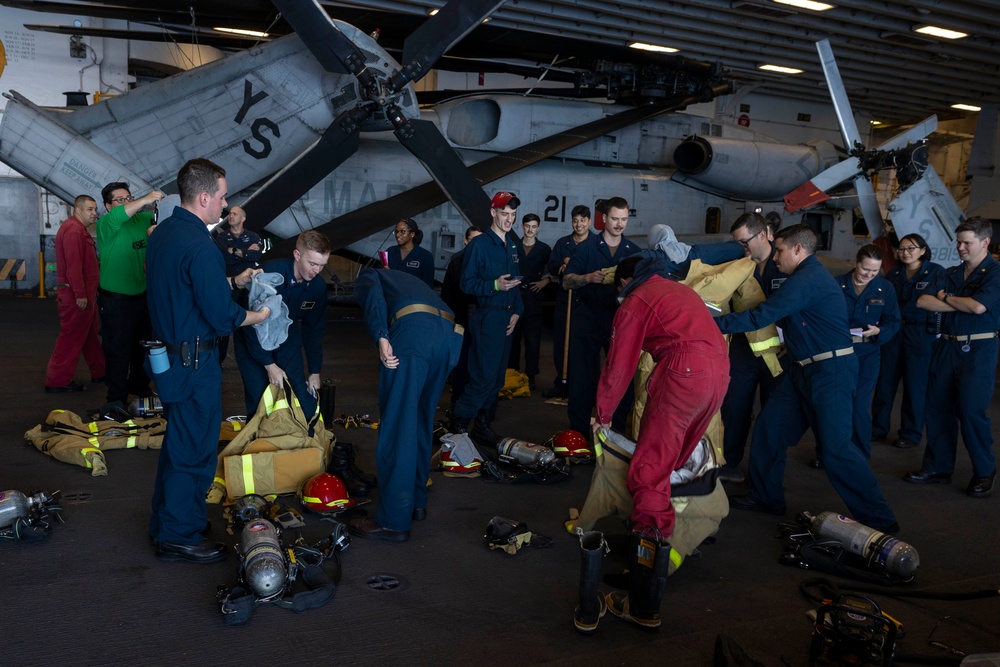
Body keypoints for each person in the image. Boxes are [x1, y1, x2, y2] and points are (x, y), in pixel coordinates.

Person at [714, 224, 898, 533]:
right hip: (801, 370)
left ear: (799, 250)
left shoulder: (808, 278)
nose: (776, 258)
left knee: (836, 449)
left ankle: (880, 520)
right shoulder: (801, 278)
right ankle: (766, 496)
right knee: (770, 429)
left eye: (781, 250)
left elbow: (761, 316)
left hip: (831, 373)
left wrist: (707, 321)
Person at [592, 254, 730, 630]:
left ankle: (643, 595)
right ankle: (663, 551)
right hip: (717, 373)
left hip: (685, 373)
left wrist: (602, 415)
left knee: (649, 472)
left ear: (623, 282)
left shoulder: (636, 300)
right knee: (669, 467)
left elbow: (619, 365)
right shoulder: (675, 290)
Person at [145, 158, 270, 562]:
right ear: (204, 197)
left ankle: (169, 523)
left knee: (178, 443)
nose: (225, 202)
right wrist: (258, 316)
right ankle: (180, 534)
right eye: (221, 195)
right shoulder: (201, 245)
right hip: (194, 363)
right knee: (194, 450)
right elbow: (221, 315)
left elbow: (185, 293)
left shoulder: (164, 234)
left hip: (168, 357)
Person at [350, 268, 463, 542]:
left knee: (398, 424)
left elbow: (374, 299)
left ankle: (393, 521)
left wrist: (381, 336)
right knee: (421, 420)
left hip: (415, 335)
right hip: (450, 336)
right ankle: (416, 502)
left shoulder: (370, 275)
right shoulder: (409, 281)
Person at [906, 216, 1000, 498]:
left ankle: (984, 471)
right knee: (936, 409)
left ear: (984, 242)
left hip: (979, 350)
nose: (960, 247)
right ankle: (937, 468)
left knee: (971, 412)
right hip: (946, 347)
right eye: (958, 242)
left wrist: (946, 299)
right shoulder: (951, 273)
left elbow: (978, 307)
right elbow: (923, 301)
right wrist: (957, 302)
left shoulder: (994, 273)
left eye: (966, 243)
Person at [449, 192, 523, 443]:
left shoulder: (511, 245)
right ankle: (458, 426)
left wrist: (517, 312)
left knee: (497, 379)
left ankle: (481, 426)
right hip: (487, 318)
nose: (509, 219)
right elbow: (466, 283)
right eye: (505, 214)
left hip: (506, 320)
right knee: (482, 377)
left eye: (513, 215)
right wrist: (493, 285)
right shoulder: (479, 245)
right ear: (493, 213)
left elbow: (515, 283)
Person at [563, 196, 640, 437]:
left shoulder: (634, 252)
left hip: (620, 319)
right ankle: (578, 432)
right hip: (588, 316)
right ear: (604, 218)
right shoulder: (586, 248)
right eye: (615, 218)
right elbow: (566, 281)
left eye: (624, 219)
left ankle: (615, 432)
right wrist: (587, 278)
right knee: (582, 376)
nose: (619, 224)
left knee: (620, 376)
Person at [234, 230, 330, 420]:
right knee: (260, 397)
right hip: (252, 337)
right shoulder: (269, 273)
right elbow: (248, 323)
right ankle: (261, 443)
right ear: (297, 255)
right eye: (312, 263)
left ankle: (301, 441)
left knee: (301, 395)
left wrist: (315, 371)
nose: (316, 271)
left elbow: (314, 331)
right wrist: (269, 365)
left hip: (287, 336)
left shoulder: (317, 287)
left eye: (321, 265)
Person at [719, 213, 785, 480]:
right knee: (734, 408)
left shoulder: (786, 266)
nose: (743, 249)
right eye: (738, 244)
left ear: (762, 235)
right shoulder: (738, 266)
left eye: (745, 242)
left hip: (777, 353)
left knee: (772, 416)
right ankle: (729, 463)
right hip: (743, 350)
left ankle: (765, 479)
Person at [871, 233, 944, 449]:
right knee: (885, 383)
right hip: (893, 334)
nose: (905, 252)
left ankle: (910, 433)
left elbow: (931, 303)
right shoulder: (893, 274)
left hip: (920, 335)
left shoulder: (936, 272)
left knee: (915, 386)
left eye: (911, 248)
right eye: (901, 249)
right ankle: (878, 427)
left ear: (922, 250)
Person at [97, 182, 164, 412]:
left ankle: (139, 387)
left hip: (143, 296)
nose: (126, 202)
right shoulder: (106, 224)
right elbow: (122, 214)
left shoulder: (143, 221)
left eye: (128, 197)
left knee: (143, 347)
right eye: (120, 199)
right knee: (117, 349)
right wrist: (145, 199)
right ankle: (116, 397)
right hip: (116, 299)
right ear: (108, 206)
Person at [833, 244, 900, 461]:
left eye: (874, 271)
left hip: (868, 352)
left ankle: (859, 454)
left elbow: (894, 321)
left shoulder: (885, 288)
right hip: (840, 352)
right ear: (856, 264)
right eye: (865, 270)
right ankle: (829, 452)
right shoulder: (836, 285)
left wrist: (880, 330)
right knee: (836, 403)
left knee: (859, 405)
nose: (869, 275)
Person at [45, 195, 106, 393]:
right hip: (77, 298)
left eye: (95, 209)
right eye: (89, 209)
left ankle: (101, 372)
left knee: (89, 337)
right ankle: (58, 381)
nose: (94, 213)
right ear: (77, 210)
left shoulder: (78, 230)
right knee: (70, 340)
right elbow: (73, 267)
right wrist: (80, 294)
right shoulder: (74, 231)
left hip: (83, 296)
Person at [544, 205, 595, 398]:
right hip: (565, 298)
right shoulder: (563, 243)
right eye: (576, 220)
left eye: (583, 220)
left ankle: (584, 385)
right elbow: (551, 265)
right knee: (561, 341)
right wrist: (562, 264)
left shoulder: (595, 243)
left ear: (589, 221)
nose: (579, 224)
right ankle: (561, 382)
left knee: (584, 343)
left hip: (587, 300)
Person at [508, 213, 552, 390]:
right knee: (513, 338)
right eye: (527, 226)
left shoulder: (544, 249)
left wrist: (545, 281)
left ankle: (531, 374)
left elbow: (554, 269)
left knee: (533, 340)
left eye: (534, 226)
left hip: (533, 298)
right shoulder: (512, 246)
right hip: (515, 296)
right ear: (522, 226)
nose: (530, 229)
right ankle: (511, 372)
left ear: (538, 228)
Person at [214, 205, 263, 363]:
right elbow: (224, 257)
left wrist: (233, 251)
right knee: (223, 325)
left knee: (248, 325)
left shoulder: (253, 236)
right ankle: (218, 361)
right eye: (230, 214)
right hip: (229, 286)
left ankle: (251, 357)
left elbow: (256, 255)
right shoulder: (221, 238)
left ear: (243, 218)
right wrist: (244, 252)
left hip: (248, 288)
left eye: (235, 214)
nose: (231, 216)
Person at [440, 225, 482, 409]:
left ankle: (479, 408)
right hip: (460, 322)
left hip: (481, 322)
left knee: (480, 366)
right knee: (460, 366)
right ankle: (457, 407)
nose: (475, 244)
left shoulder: (486, 262)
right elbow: (447, 293)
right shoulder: (456, 261)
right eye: (472, 240)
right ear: (465, 240)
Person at [387, 218, 435, 287]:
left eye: (402, 231)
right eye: (396, 231)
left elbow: (428, 286)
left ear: (412, 234)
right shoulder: (390, 251)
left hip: (414, 296)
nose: (397, 235)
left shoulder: (425, 256)